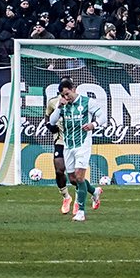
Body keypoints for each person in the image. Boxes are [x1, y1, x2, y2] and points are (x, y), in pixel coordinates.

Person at [47, 77, 101, 223]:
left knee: (79, 176)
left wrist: (93, 124)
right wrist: (59, 106)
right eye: (63, 95)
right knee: (72, 179)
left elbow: (103, 117)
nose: (66, 97)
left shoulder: (87, 102)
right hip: (68, 145)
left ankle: (81, 211)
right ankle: (94, 191)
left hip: (83, 144)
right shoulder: (62, 105)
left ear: (74, 89)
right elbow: (51, 122)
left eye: (67, 94)